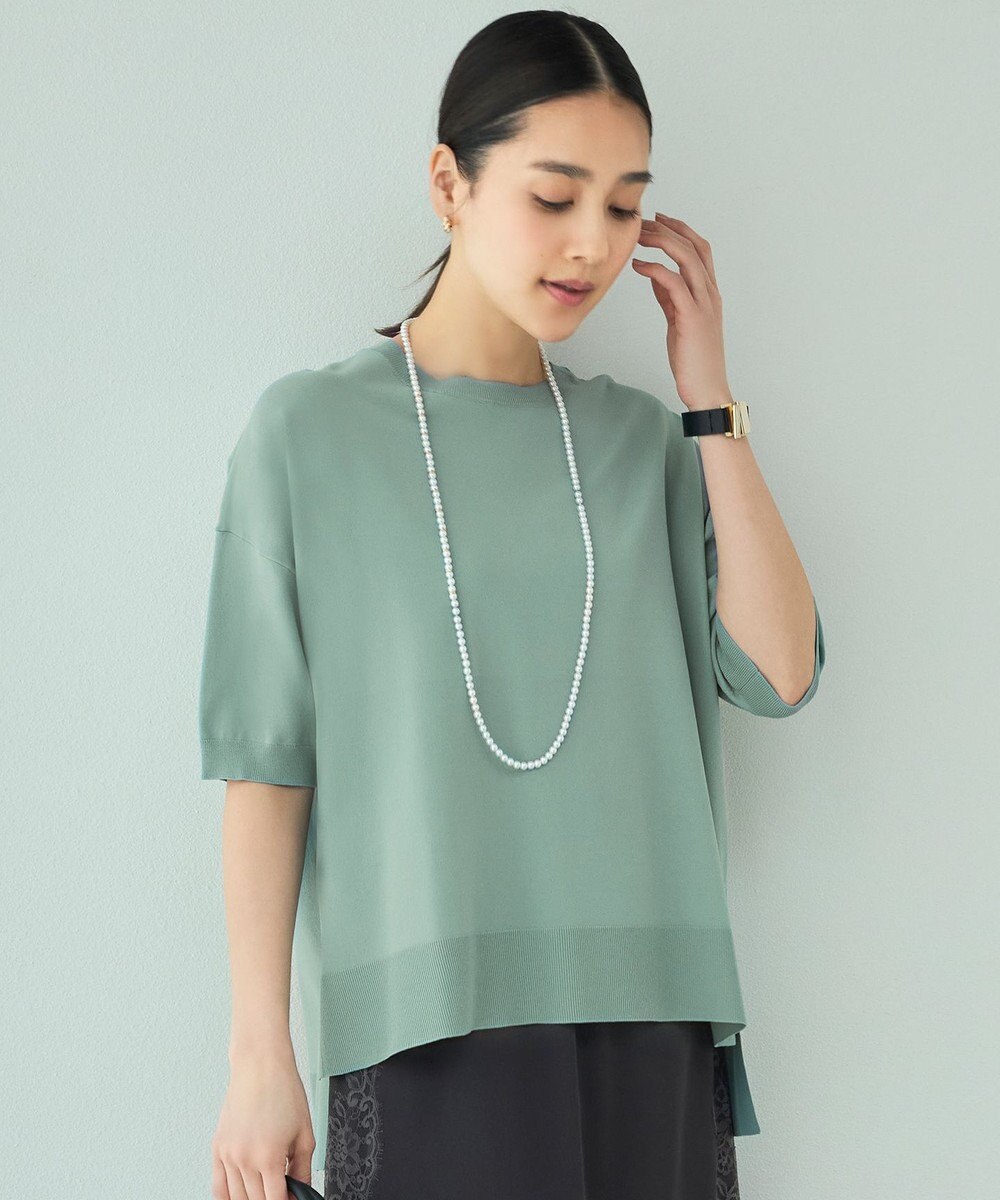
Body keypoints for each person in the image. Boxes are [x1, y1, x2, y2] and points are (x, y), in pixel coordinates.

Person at [199, 11, 826, 1200]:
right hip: (425, 1032)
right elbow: (265, 765)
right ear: (449, 183)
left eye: (624, 206)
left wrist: (708, 401)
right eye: (553, 195)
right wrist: (257, 1053)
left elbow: (780, 672)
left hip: (655, 1015)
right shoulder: (308, 435)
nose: (592, 243)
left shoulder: (643, 444)